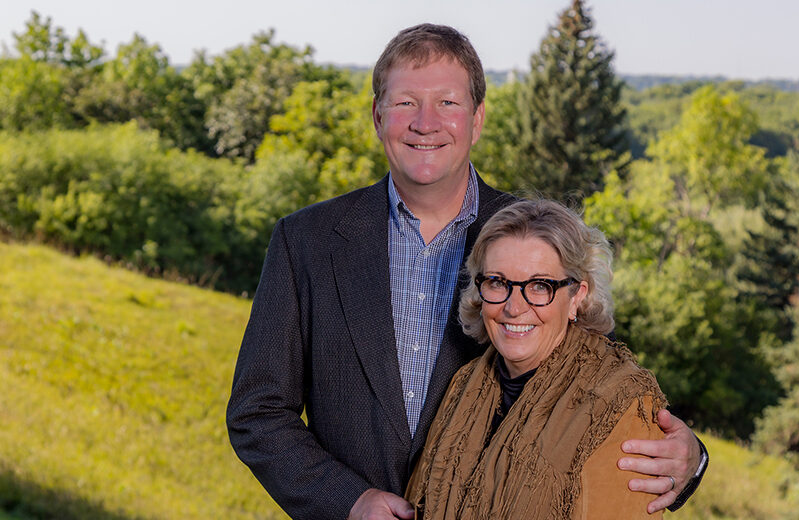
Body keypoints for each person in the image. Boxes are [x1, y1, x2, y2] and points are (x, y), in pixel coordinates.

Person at [226, 23, 706, 520]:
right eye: (406, 102)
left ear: (476, 120)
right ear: (377, 115)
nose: (425, 123)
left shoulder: (533, 237)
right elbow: (257, 412)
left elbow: (598, 384)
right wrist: (348, 500)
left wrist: (691, 459)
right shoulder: (305, 241)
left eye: (448, 104)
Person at [407, 199, 667, 519]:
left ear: (577, 296)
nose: (514, 307)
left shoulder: (620, 398)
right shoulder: (465, 383)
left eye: (540, 286)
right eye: (498, 282)